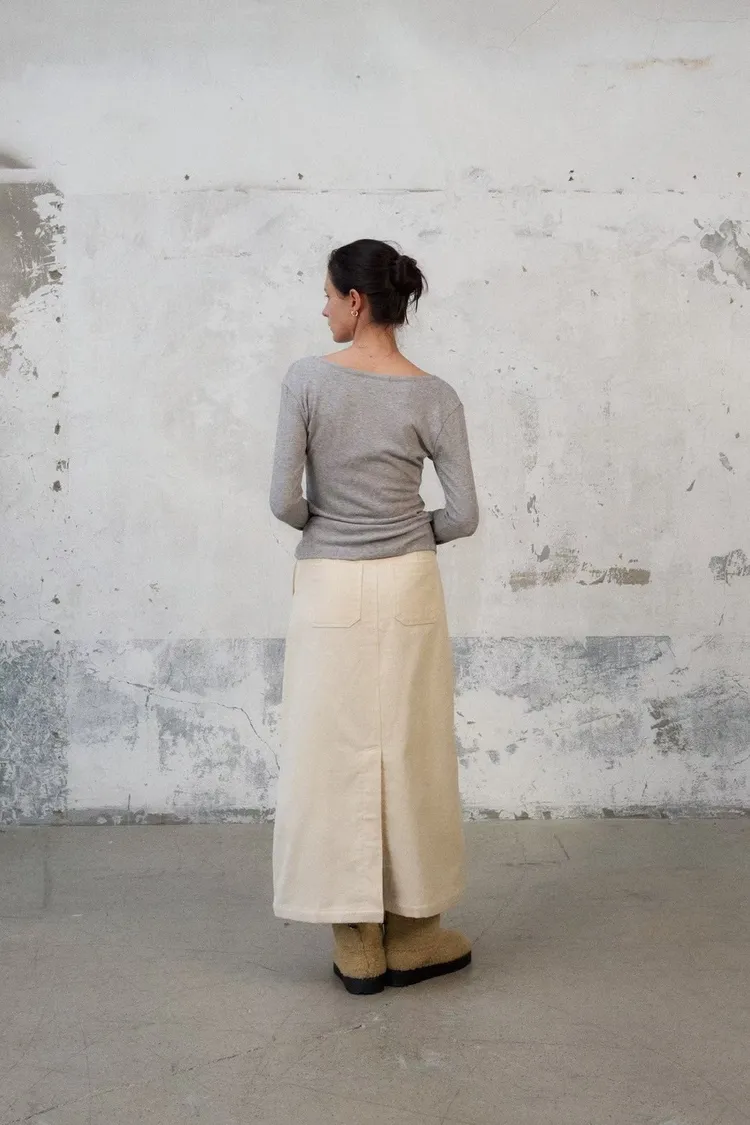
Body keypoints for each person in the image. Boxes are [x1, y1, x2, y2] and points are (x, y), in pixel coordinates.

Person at [269, 238, 479, 994]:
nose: (323, 307)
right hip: (409, 584)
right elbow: (464, 514)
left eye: (329, 295)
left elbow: (283, 500)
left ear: (356, 302)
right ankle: (415, 932)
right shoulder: (434, 394)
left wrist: (329, 528)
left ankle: (355, 941)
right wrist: (410, 532)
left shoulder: (307, 380)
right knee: (413, 749)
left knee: (330, 753)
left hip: (330, 583)